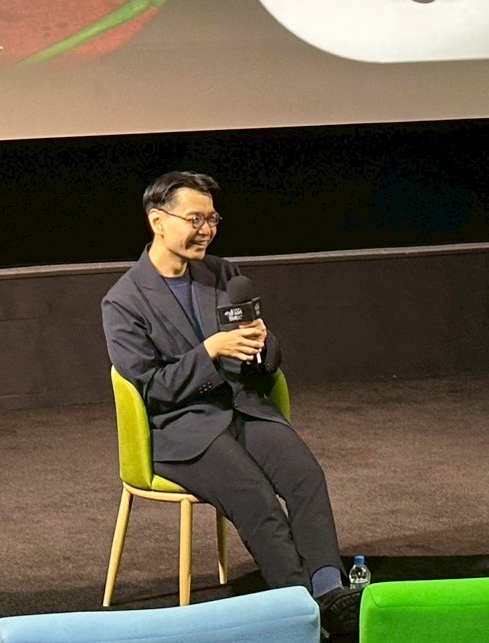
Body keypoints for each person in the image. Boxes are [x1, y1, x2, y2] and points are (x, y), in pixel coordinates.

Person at [102, 171, 362, 633]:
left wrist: (260, 345)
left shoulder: (223, 273)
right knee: (255, 498)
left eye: (212, 219)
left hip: (243, 407)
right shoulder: (123, 302)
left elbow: (263, 359)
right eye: (195, 219)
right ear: (157, 221)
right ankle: (299, 608)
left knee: (305, 476)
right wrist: (209, 352)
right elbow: (152, 388)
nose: (206, 230)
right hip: (182, 428)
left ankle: (330, 590)